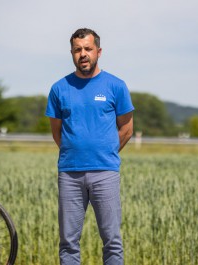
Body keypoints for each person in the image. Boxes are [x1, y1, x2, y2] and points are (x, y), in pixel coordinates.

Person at [45, 28, 134, 265]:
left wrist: (105, 152)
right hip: (70, 174)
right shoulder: (59, 89)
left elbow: (126, 129)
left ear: (99, 51)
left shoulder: (116, 86)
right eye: (77, 50)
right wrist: (75, 152)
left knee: (112, 242)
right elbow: (57, 131)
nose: (82, 54)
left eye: (87, 49)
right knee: (68, 243)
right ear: (72, 53)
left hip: (105, 172)